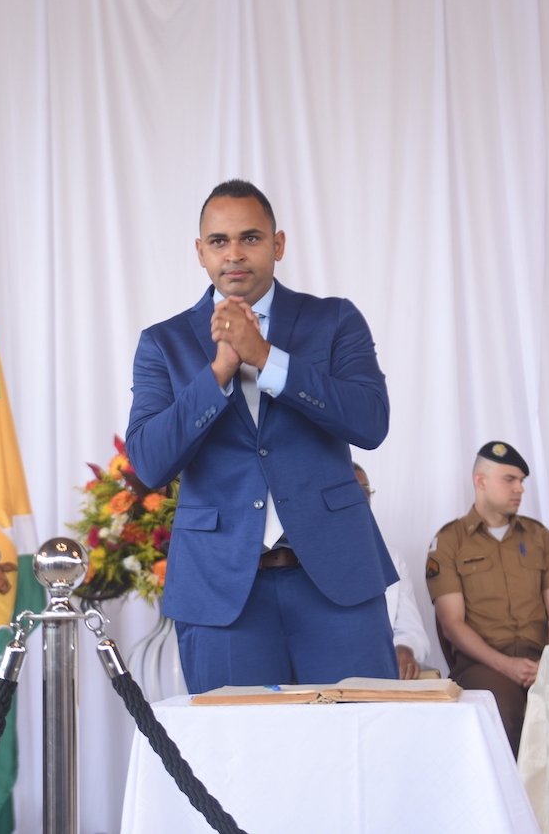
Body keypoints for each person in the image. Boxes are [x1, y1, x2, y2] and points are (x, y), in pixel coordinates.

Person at [126, 179, 397, 694]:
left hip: (337, 583)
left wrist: (267, 358)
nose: (234, 254)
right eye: (219, 241)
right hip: (220, 592)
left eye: (250, 238)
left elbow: (370, 422)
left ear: (278, 244)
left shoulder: (334, 319)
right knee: (234, 744)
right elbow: (150, 462)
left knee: (359, 735)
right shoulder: (163, 342)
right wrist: (220, 371)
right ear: (200, 252)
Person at [426, 441, 549, 756]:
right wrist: (506, 665)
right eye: (510, 479)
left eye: (522, 481)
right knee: (503, 715)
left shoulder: (540, 537)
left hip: (542, 659)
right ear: (480, 481)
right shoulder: (449, 541)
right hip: (483, 664)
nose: (520, 488)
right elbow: (452, 623)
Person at [353, 462, 429, 679]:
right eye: (351, 491)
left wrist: (404, 648)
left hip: (381, 671)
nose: (361, 498)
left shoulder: (392, 559)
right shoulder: (301, 559)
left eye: (365, 491)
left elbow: (412, 629)